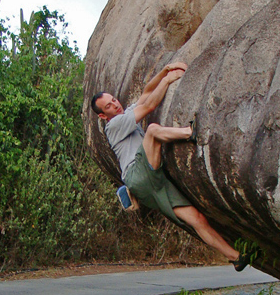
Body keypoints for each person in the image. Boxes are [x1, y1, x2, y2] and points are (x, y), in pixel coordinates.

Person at [91, 62, 251, 272]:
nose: (115, 104)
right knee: (152, 131)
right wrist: (168, 80)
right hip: (137, 174)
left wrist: (164, 71)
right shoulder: (113, 125)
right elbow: (149, 107)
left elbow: (147, 93)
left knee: (197, 219)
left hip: (151, 184)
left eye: (113, 99)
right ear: (103, 116)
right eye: (109, 106)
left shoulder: (125, 114)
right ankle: (190, 133)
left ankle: (236, 257)